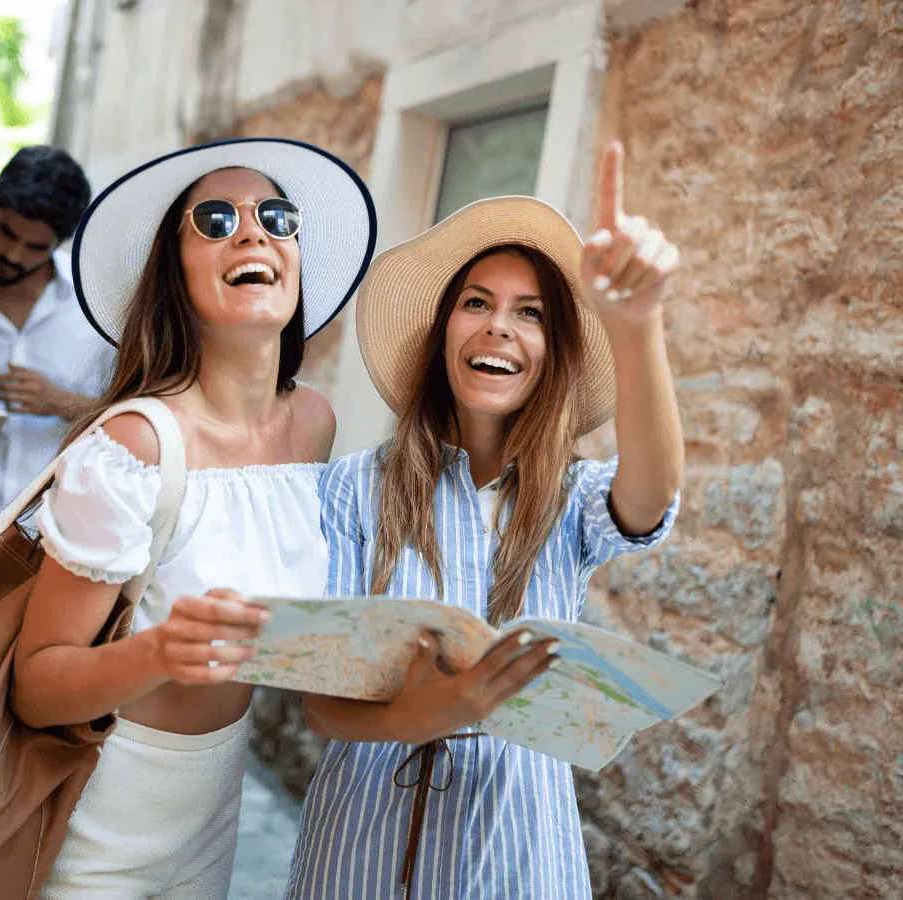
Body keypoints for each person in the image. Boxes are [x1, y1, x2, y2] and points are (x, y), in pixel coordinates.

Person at [286, 142, 684, 899]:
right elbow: (321, 703)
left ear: (552, 353)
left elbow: (652, 494)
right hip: (361, 849)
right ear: (443, 336)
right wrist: (423, 712)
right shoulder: (354, 490)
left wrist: (638, 324)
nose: (498, 327)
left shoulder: (573, 500)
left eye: (529, 313)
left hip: (517, 851)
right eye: (476, 302)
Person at [11, 138, 375, 899]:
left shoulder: (314, 425)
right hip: (98, 818)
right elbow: (37, 688)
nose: (252, 233)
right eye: (215, 220)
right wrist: (161, 651)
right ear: (174, 272)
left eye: (276, 216)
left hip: (216, 807)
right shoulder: (132, 444)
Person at [0, 145, 114, 560]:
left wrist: (61, 402)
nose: (13, 255)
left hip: (58, 537)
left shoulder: (97, 311)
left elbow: (140, 411)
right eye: (6, 233)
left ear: (58, 244)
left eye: (34, 247)